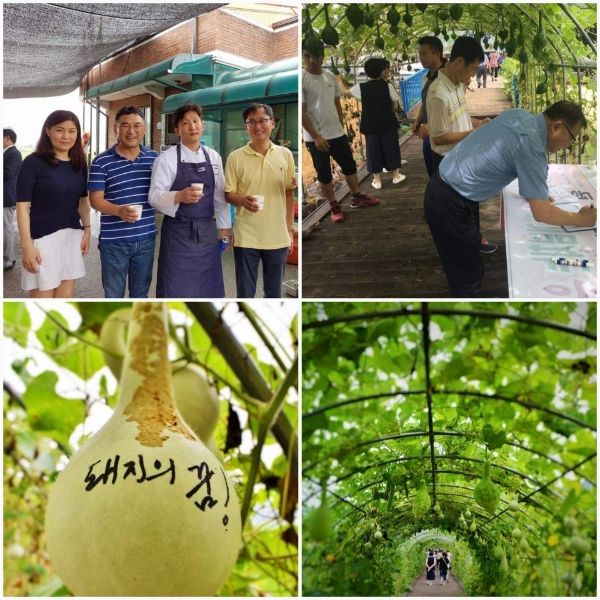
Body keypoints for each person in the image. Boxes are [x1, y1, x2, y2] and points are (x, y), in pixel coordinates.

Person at [425, 100, 596, 297]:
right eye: (572, 138)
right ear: (556, 128)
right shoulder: (532, 145)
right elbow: (542, 212)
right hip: (449, 202)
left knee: (465, 258)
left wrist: (534, 191)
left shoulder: (519, 115)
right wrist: (581, 219)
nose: (568, 145)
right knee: (469, 275)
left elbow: (509, 150)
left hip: (447, 183)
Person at [149, 103, 230, 298]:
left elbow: (219, 195)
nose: (192, 126)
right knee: (175, 288)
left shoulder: (213, 157)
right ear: (177, 130)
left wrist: (225, 227)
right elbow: (154, 196)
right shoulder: (166, 159)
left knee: (208, 288)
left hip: (206, 232)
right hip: (177, 233)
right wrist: (179, 196)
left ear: (202, 125)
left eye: (196, 121)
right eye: (185, 123)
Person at [427, 36, 496, 255]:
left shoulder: (456, 84)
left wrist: (479, 123)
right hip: (447, 161)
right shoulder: (438, 94)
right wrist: (472, 132)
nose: (473, 75)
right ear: (459, 62)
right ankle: (466, 248)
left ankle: (475, 240)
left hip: (463, 156)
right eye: (473, 69)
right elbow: (438, 138)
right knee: (458, 209)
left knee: (471, 202)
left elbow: (461, 117)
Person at [302, 37, 380, 224]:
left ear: (322, 57)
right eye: (308, 56)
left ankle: (357, 196)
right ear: (304, 56)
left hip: (336, 133)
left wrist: (339, 124)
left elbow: (337, 102)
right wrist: (316, 136)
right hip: (316, 139)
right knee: (324, 174)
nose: (312, 60)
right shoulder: (302, 79)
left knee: (350, 166)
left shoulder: (329, 77)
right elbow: (302, 112)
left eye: (317, 57)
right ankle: (333, 205)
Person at [16, 110, 91, 297]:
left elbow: (83, 200)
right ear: (48, 131)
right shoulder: (32, 162)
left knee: (64, 300)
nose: (66, 136)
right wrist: (27, 246)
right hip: (43, 240)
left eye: (72, 131)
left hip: (72, 237)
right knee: (43, 303)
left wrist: (87, 229)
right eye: (60, 130)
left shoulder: (79, 163)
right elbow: (22, 207)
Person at [224, 103, 295, 298]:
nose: (257, 127)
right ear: (246, 126)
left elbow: (289, 192)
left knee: (273, 294)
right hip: (246, 236)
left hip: (277, 236)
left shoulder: (285, 154)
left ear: (272, 123)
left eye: (263, 121)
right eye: (251, 122)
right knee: (245, 293)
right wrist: (242, 200)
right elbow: (227, 194)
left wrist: (289, 229)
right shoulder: (235, 157)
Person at [89, 107, 159, 298]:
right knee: (113, 296)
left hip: (146, 239)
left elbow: (164, 193)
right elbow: (95, 200)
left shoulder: (155, 159)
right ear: (116, 128)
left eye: (137, 126)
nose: (131, 131)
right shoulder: (101, 162)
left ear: (144, 129)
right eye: (125, 125)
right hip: (114, 242)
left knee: (140, 295)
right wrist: (118, 210)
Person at [340, 57, 406, 189]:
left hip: (370, 124)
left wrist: (338, 80)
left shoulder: (361, 87)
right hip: (388, 123)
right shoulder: (388, 86)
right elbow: (394, 105)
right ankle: (396, 176)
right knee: (391, 148)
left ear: (366, 72)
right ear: (381, 71)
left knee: (373, 150)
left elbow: (345, 91)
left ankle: (377, 181)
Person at [412, 36, 445, 177]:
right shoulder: (427, 77)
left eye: (424, 54)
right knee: (433, 174)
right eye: (419, 54)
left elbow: (452, 108)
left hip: (443, 134)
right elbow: (424, 102)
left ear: (437, 55)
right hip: (428, 134)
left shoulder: (447, 77)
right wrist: (417, 121)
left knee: (442, 175)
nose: (421, 57)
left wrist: (431, 124)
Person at [3, 128, 22, 272]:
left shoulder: (14, 154)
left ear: (7, 138)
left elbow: (8, 173)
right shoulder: (7, 153)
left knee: (6, 228)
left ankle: (7, 259)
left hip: (6, 197)